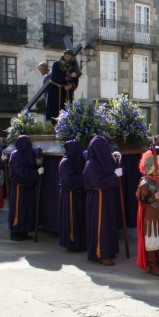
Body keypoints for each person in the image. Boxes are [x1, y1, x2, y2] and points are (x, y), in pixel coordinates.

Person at [84, 136, 121, 266]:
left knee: (109, 224)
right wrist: (114, 176)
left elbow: (113, 172)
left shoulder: (104, 161)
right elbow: (99, 182)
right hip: (98, 198)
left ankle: (109, 250)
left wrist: (117, 166)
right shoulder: (91, 164)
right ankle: (101, 253)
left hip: (107, 197)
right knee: (101, 226)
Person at [8, 136, 43, 241]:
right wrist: (36, 173)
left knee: (27, 210)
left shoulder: (24, 153)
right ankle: (16, 232)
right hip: (20, 186)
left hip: (27, 186)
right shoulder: (16, 155)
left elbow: (32, 160)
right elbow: (22, 171)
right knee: (19, 209)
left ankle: (23, 231)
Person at [59, 140, 87, 251]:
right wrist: (85, 180)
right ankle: (72, 243)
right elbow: (70, 179)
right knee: (72, 220)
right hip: (70, 194)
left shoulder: (81, 160)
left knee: (80, 219)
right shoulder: (65, 162)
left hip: (80, 194)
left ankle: (81, 242)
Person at [47, 49, 79, 123]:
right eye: (66, 56)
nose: (67, 58)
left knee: (67, 110)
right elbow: (57, 77)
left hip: (67, 92)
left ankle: (66, 127)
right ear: (64, 56)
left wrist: (71, 86)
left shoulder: (72, 67)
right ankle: (52, 125)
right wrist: (71, 75)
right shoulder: (57, 64)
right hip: (55, 90)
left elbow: (75, 80)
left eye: (69, 57)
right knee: (54, 110)